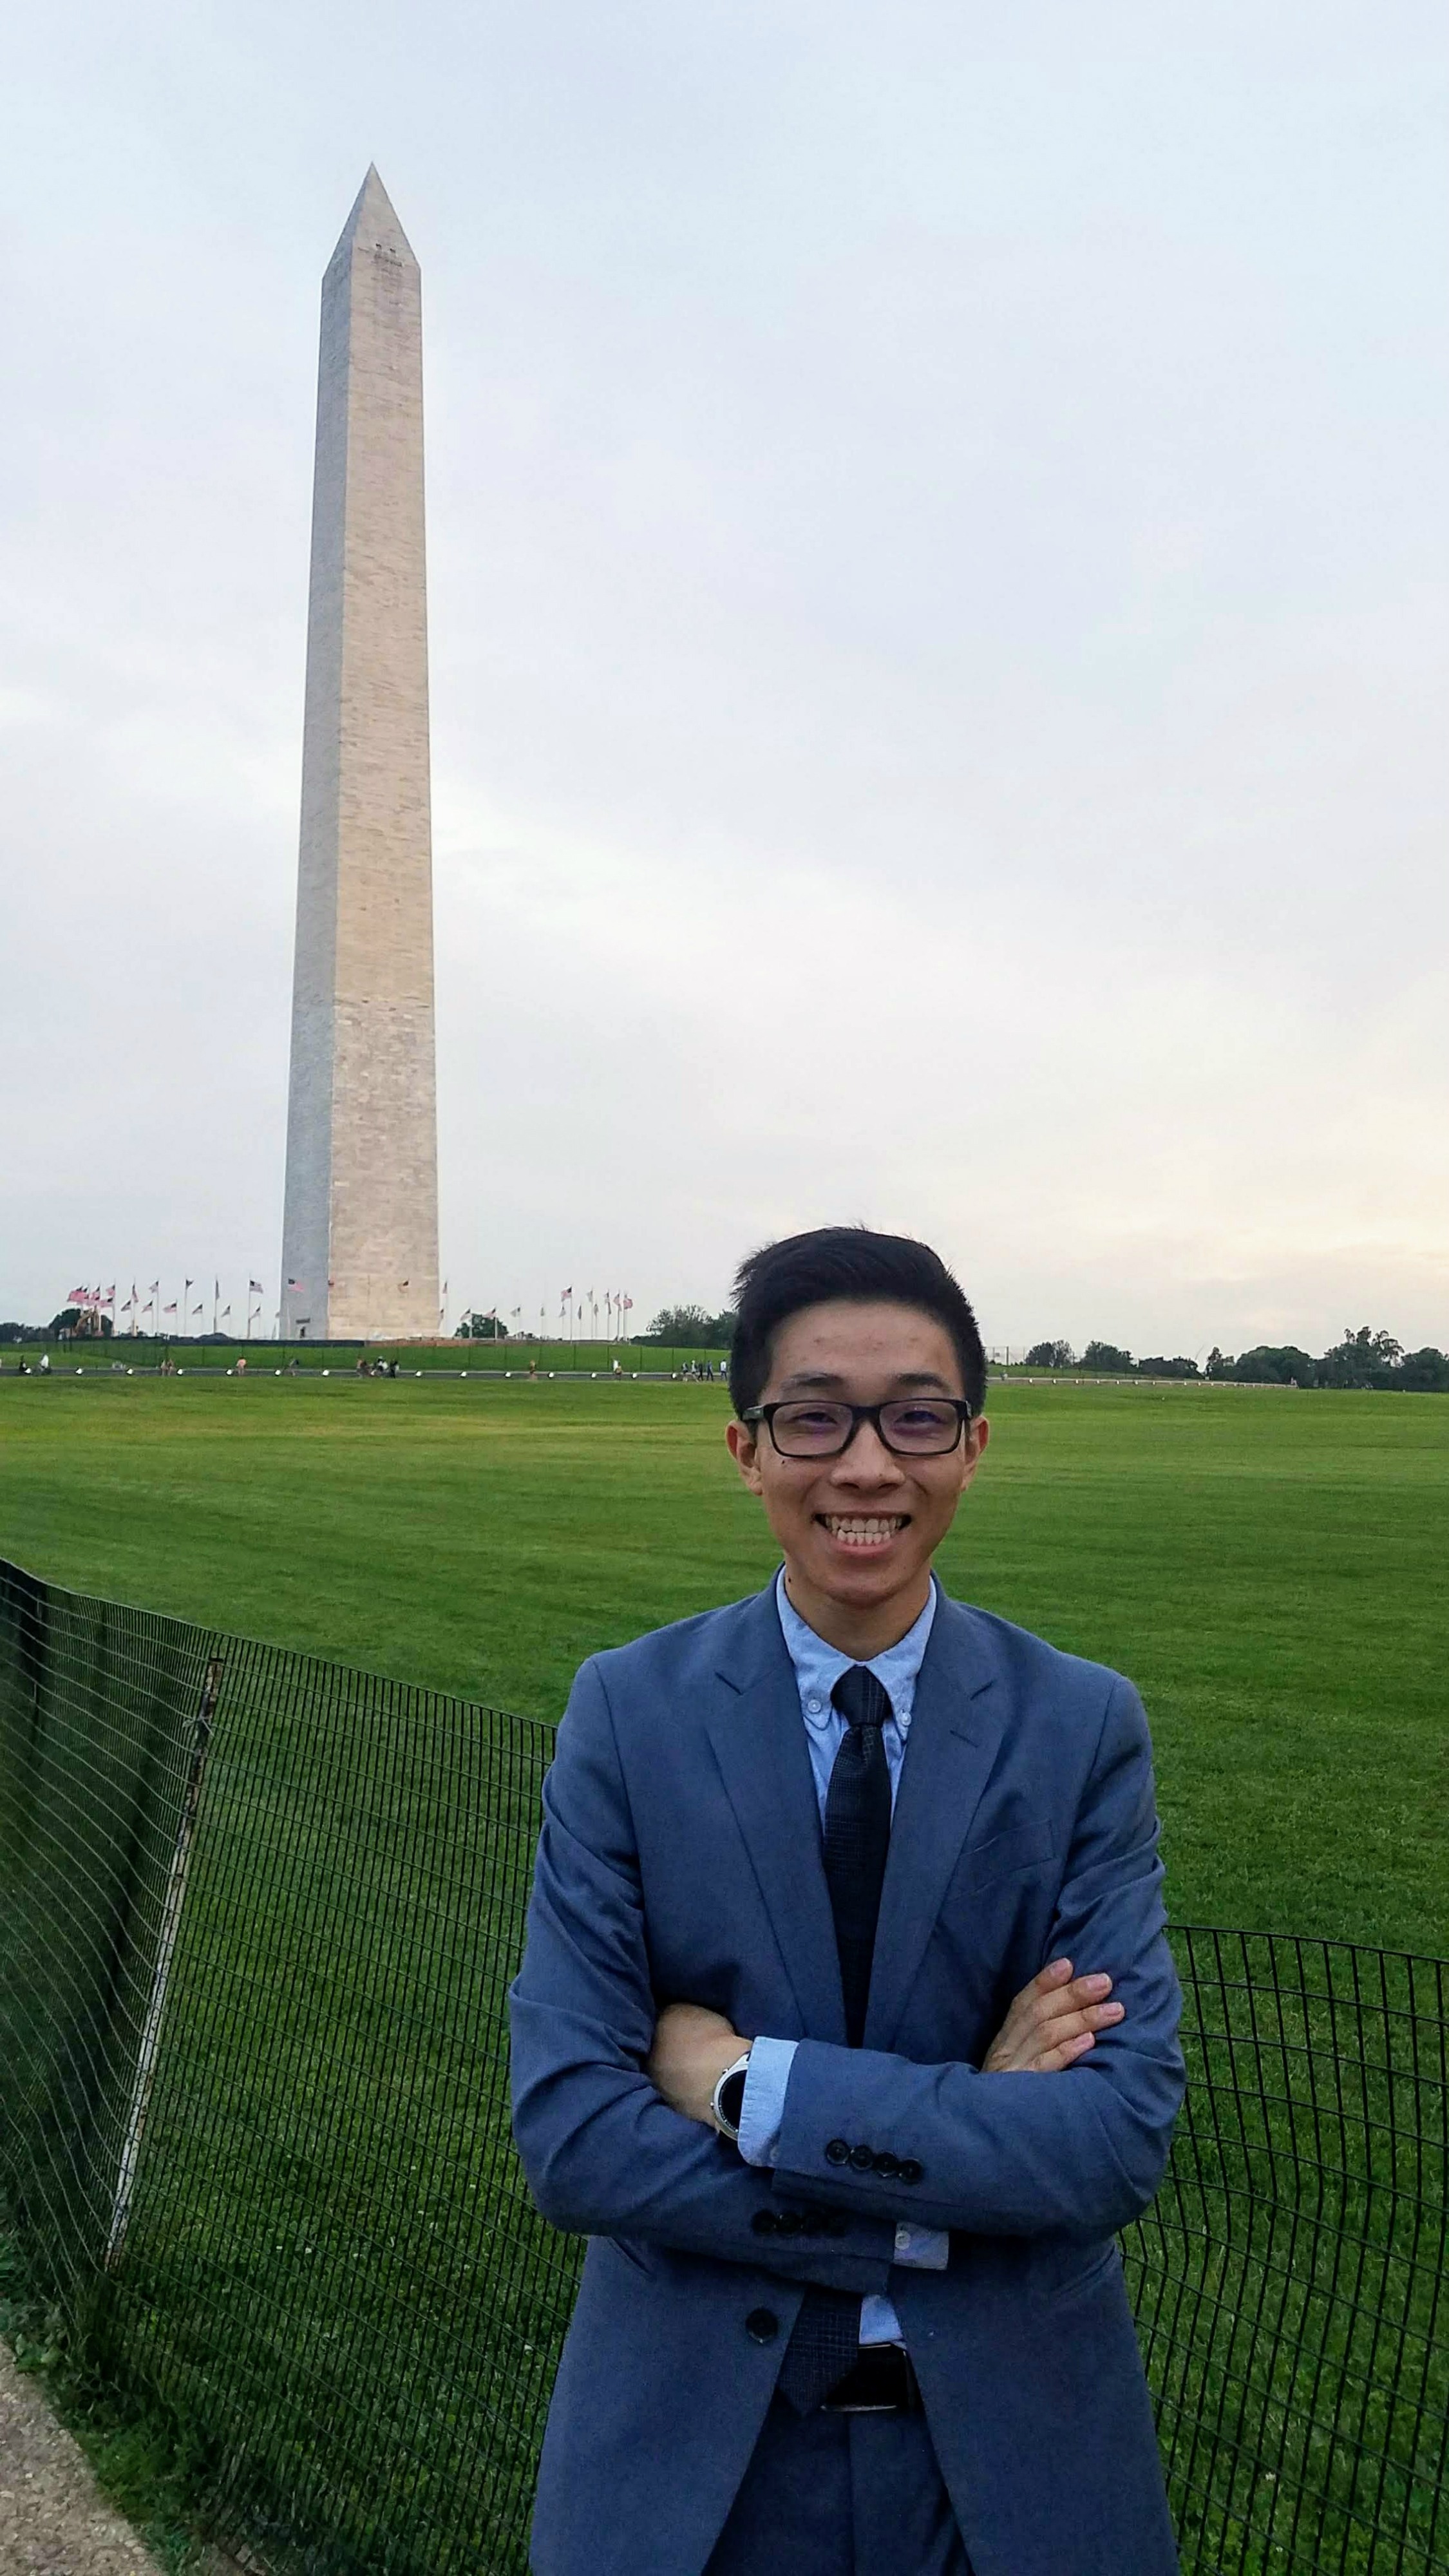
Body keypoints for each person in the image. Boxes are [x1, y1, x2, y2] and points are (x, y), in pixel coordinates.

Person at [510, 1227, 1184, 2576]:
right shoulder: (626, 1712)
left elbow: (1112, 2137)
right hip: (694, 2462)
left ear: (973, 1444)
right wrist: (949, 2166)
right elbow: (574, 2133)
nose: (868, 1464)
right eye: (816, 1417)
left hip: (1009, 2469)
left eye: (915, 1416)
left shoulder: (1080, 1725)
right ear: (747, 1446)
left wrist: (755, 2086)